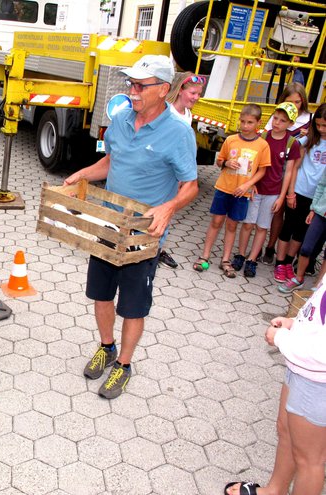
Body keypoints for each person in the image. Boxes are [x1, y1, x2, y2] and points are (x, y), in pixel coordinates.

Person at [64, 55, 199, 399]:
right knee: (100, 293)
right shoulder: (122, 119)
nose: (133, 91)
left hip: (144, 234)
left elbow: (191, 186)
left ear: (164, 90)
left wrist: (169, 206)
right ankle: (106, 346)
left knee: (134, 305)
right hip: (110, 225)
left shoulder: (179, 133)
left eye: (141, 85)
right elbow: (111, 161)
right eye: (131, 84)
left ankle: (123, 365)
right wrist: (82, 173)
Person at [224, 280, 326, 495]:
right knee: (286, 430)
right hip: (301, 366)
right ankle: (275, 490)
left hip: (318, 382)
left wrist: (281, 338)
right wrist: (293, 323)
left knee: (309, 460)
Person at [194, 104, 271, 278]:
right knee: (216, 222)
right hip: (224, 187)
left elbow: (262, 170)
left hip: (242, 193)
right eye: (242, 121)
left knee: (232, 225)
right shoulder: (231, 140)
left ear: (258, 123)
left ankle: (226, 259)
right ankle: (204, 255)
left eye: (250, 122)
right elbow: (220, 161)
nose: (245, 126)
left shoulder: (262, 145)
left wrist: (247, 185)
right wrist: (226, 163)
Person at [232, 102, 301, 278]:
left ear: (290, 124)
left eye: (282, 121)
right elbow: (254, 161)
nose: (277, 123)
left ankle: (252, 259)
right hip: (256, 188)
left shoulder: (291, 143)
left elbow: (289, 172)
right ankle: (240, 254)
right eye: (275, 118)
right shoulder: (262, 136)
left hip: (273, 192)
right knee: (248, 223)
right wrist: (252, 183)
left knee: (262, 227)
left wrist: (282, 196)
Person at [157, 71, 206, 269]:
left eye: (198, 94)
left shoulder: (188, 115)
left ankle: (157, 249)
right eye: (192, 93)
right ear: (180, 91)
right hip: (163, 172)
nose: (195, 97)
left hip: (177, 175)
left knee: (168, 210)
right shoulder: (167, 112)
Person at [274, 104, 326, 285]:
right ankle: (280, 262)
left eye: (324, 126)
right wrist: (290, 192)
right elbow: (294, 166)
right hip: (299, 190)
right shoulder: (308, 140)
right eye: (318, 125)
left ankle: (289, 262)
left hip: (317, 198)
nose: (321, 129)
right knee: (288, 226)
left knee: (301, 232)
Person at [262, 83, 313, 264]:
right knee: (276, 211)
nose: (294, 106)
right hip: (275, 166)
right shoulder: (276, 118)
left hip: (296, 170)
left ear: (303, 102)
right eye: (289, 101)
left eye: (298, 102)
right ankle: (269, 246)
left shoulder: (310, 119)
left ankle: (276, 248)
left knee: (287, 213)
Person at [279, 168, 325, 292]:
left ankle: (319, 287)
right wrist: (313, 209)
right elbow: (321, 186)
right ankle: (298, 279)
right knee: (306, 248)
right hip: (321, 213)